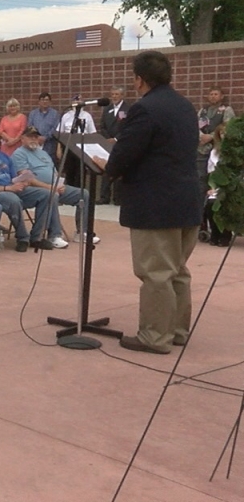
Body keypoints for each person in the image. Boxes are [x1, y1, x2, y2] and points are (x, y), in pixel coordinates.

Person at [92, 51, 202, 355]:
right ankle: (176, 330)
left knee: (156, 273)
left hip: (157, 204)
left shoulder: (145, 109)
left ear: (139, 79)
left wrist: (108, 167)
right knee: (177, 269)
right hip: (187, 199)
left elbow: (127, 152)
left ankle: (154, 336)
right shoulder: (185, 106)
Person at [0, 127, 66, 252]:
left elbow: (14, 178)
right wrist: (8, 188)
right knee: (13, 200)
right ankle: (22, 237)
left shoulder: (4, 157)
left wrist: (23, 181)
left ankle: (37, 237)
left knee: (49, 195)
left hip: (13, 187)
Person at [12, 126, 98, 244]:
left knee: (84, 194)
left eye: (35, 137)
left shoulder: (43, 153)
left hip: (55, 186)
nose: (33, 139)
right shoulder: (19, 154)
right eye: (30, 136)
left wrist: (60, 184)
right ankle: (54, 235)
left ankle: (82, 232)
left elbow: (55, 172)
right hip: (36, 190)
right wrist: (51, 188)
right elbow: (27, 178)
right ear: (22, 138)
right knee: (52, 195)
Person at [196, 86, 235, 212]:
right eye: (211, 94)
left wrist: (212, 136)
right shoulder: (203, 111)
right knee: (200, 180)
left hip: (217, 150)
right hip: (202, 150)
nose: (213, 96)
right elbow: (195, 125)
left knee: (216, 180)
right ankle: (201, 213)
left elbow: (228, 128)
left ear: (221, 96)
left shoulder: (226, 110)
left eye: (216, 94)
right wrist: (201, 136)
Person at [98, 86, 127, 205]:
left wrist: (116, 138)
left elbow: (126, 126)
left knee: (118, 169)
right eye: (113, 94)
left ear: (122, 96)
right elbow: (102, 125)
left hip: (120, 143)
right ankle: (104, 196)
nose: (114, 96)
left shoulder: (126, 109)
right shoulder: (107, 109)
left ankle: (118, 198)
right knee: (106, 168)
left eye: (117, 94)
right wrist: (107, 138)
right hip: (107, 143)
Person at [26, 92, 61, 165]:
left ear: (50, 102)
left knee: (50, 165)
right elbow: (30, 127)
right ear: (39, 102)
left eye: (47, 100)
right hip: (35, 144)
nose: (44, 102)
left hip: (50, 146)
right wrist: (37, 137)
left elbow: (56, 128)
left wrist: (45, 137)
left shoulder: (55, 114)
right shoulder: (33, 114)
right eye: (42, 100)